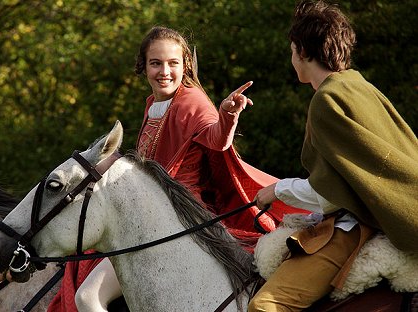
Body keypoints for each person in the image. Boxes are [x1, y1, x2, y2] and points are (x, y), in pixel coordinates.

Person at [47, 26, 307, 311]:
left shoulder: (191, 101)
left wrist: (228, 116)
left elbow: (215, 137)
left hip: (177, 222)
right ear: (143, 67)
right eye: (155, 63)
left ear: (185, 65)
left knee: (88, 298)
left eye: (173, 63)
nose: (165, 71)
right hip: (150, 219)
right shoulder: (153, 105)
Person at [248, 1, 418, 311]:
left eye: (291, 50)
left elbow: (333, 195)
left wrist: (277, 190)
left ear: (303, 51)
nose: (291, 58)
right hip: (373, 216)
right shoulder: (357, 84)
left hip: (356, 225)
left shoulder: (327, 100)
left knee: (265, 306)